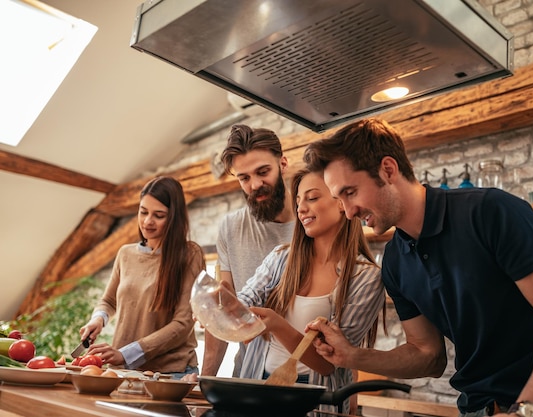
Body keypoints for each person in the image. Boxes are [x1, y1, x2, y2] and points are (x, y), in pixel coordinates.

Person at [303, 118, 533, 417]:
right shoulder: (395, 261)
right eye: (339, 199)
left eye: (350, 192)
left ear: (388, 170)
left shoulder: (490, 212)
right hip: (474, 409)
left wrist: (525, 411)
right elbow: (427, 355)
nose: (348, 212)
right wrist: (352, 356)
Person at [236, 167, 385, 414]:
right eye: (298, 201)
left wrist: (277, 325)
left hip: (314, 401)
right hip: (258, 386)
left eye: (312, 198)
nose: (301, 208)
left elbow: (329, 364)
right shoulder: (280, 258)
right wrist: (225, 305)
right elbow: (245, 299)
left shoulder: (366, 277)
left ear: (341, 202)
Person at [79, 176, 205, 379]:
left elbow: (182, 324)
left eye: (159, 215)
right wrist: (98, 319)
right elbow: (108, 301)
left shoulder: (190, 255)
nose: (148, 221)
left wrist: (125, 354)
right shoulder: (125, 253)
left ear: (174, 218)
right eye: (143, 212)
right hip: (124, 372)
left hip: (170, 374)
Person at [201, 124, 295, 377]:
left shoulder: (315, 221)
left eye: (263, 172)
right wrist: (204, 383)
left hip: (305, 374)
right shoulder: (230, 227)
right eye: (244, 178)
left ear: (283, 164)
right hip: (249, 373)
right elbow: (224, 310)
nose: (255, 184)